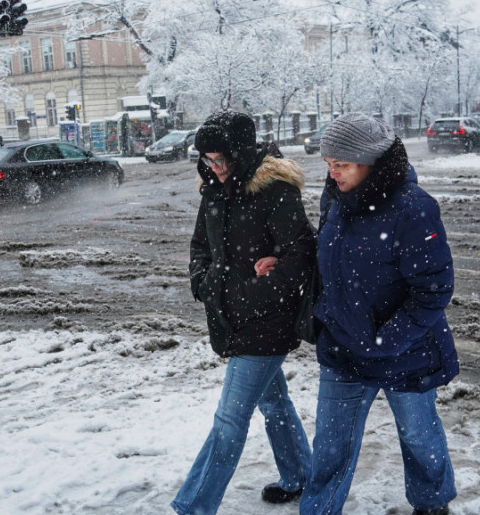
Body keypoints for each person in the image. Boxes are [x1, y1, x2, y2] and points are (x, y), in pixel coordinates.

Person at [300, 113, 459, 515]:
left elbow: (433, 290)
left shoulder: (413, 208)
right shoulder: (335, 197)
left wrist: (385, 340)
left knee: (420, 437)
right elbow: (327, 261)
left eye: (341, 165)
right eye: (328, 164)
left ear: (369, 162)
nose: (332, 173)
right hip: (342, 347)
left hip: (403, 351)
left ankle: (432, 502)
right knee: (330, 446)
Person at [172, 111, 316, 515]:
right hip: (230, 315)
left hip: (268, 319)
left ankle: (193, 507)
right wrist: (204, 283)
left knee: (229, 421)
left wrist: (254, 293)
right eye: (207, 160)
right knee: (274, 403)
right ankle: (300, 474)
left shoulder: (275, 191)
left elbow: (300, 254)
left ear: (241, 153)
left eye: (221, 160)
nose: (214, 168)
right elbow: (200, 247)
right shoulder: (213, 190)